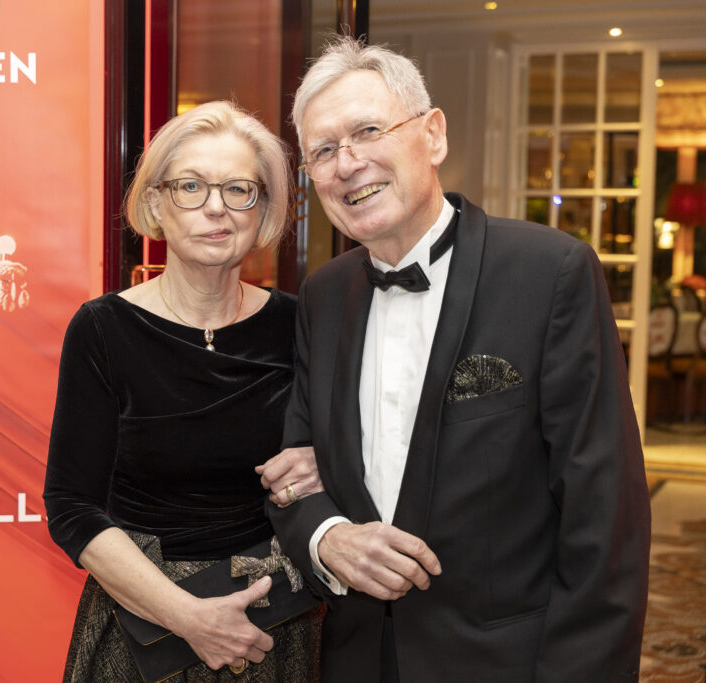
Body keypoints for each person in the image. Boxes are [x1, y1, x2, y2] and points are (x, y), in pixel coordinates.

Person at [261, 37, 651, 682]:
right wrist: (326, 536)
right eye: (323, 151)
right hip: (357, 662)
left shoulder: (549, 272)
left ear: (433, 134)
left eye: (368, 131)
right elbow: (293, 472)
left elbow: (605, 517)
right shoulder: (322, 296)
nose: (348, 163)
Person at [43, 100, 323, 682]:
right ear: (155, 203)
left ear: (263, 210)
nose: (216, 207)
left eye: (239, 189)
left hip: (273, 623)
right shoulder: (102, 330)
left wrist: (327, 463)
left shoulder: (301, 325)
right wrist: (189, 618)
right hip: (146, 626)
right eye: (191, 186)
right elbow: (71, 509)